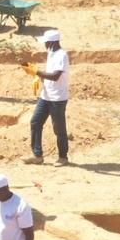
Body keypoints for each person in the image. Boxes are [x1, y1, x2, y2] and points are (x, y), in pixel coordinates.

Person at [29, 29, 71, 165]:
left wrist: (37, 72)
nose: (45, 45)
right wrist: (38, 77)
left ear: (52, 42)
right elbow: (49, 74)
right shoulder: (51, 53)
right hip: (45, 96)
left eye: (46, 43)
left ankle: (63, 157)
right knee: (35, 122)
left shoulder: (62, 56)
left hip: (57, 98)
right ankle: (37, 155)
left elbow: (55, 76)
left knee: (58, 128)